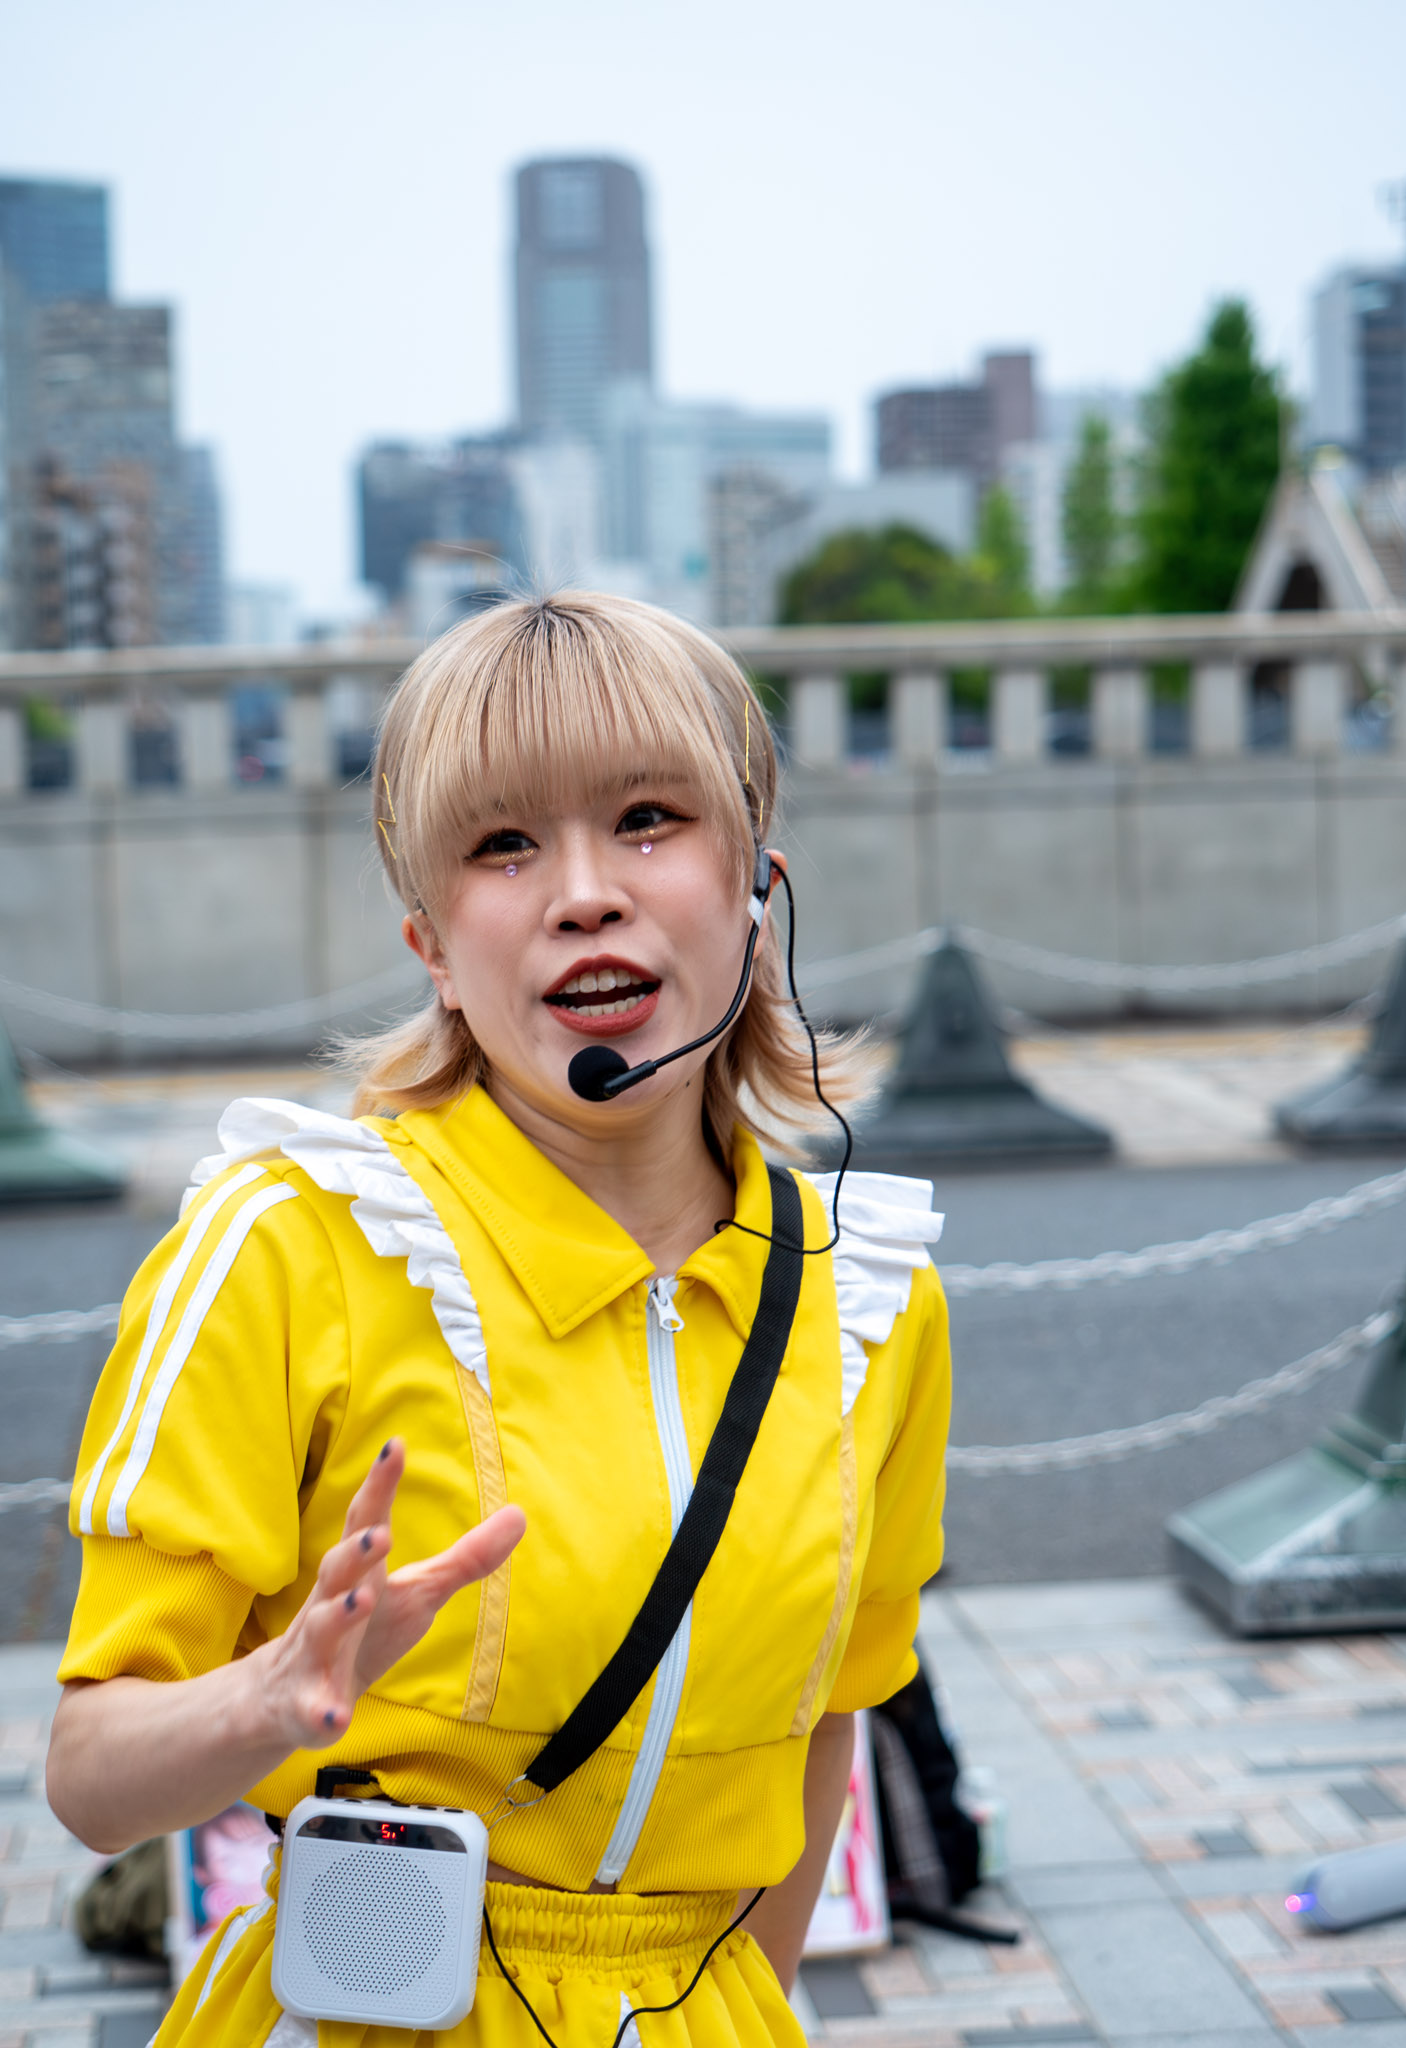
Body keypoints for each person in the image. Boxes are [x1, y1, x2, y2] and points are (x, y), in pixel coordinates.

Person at [46, 593, 951, 2048]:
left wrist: (732, 2007)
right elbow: (91, 1779)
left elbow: (829, 1720)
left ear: (755, 883)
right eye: (502, 844)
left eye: (648, 820)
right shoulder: (292, 1242)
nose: (583, 894)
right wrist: (269, 1699)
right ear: (431, 943)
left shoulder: (868, 1296)